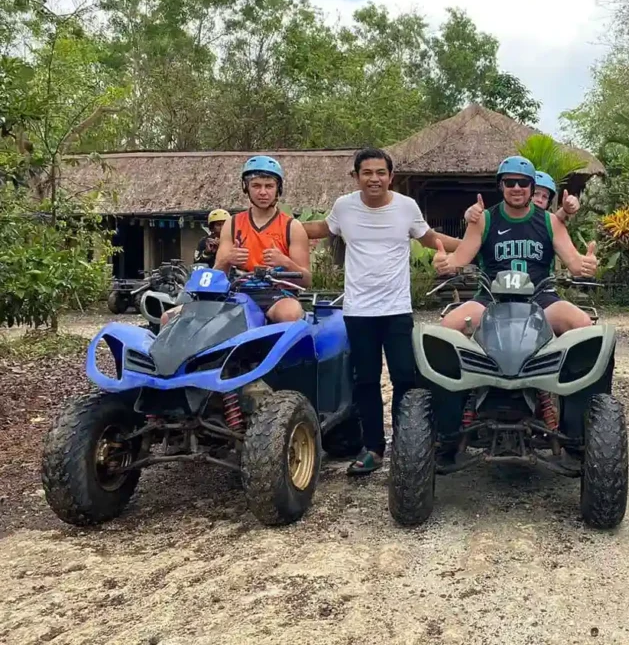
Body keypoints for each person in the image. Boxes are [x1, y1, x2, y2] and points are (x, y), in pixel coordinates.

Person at [302, 147, 463, 475]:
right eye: (367, 173)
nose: (374, 179)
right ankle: (373, 447)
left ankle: (408, 444)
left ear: (391, 176)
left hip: (396, 308)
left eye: (380, 173)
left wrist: (471, 246)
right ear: (356, 177)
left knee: (405, 376)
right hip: (359, 310)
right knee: (365, 380)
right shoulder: (344, 207)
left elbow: (430, 237)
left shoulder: (407, 207)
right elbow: (320, 229)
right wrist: (278, 227)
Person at [433, 156, 599, 336]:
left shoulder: (551, 222)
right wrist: (443, 263)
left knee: (583, 324)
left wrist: (587, 265)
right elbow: (457, 260)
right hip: (491, 298)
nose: (517, 188)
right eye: (510, 182)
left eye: (523, 182)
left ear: (532, 187)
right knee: (447, 327)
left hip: (541, 297)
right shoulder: (483, 220)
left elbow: (575, 265)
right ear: (501, 186)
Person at [161, 156, 310, 326]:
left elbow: (306, 280)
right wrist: (227, 260)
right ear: (245, 187)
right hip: (236, 292)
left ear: (278, 189)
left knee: (290, 314)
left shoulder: (292, 226)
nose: (263, 192)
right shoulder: (232, 223)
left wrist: (285, 262)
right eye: (256, 185)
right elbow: (218, 274)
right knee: (169, 317)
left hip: (277, 294)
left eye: (269, 186)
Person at [462, 169, 579, 226]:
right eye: (536, 194)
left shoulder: (547, 222)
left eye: (545, 197)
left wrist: (566, 209)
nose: (539, 199)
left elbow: (557, 219)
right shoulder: (496, 216)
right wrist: (469, 215)